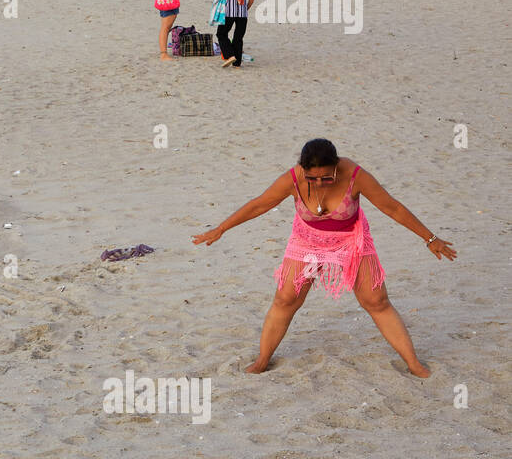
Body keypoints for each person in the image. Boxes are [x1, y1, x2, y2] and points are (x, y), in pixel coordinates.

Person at [193, 138, 455, 377]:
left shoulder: (355, 175)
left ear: (336, 167)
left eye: (326, 178)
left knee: (376, 300)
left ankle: (414, 364)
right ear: (302, 169)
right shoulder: (293, 179)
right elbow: (260, 203)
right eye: (312, 178)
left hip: (351, 240)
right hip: (306, 240)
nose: (318, 184)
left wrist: (430, 239)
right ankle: (263, 360)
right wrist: (221, 228)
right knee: (286, 299)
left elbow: (392, 207)